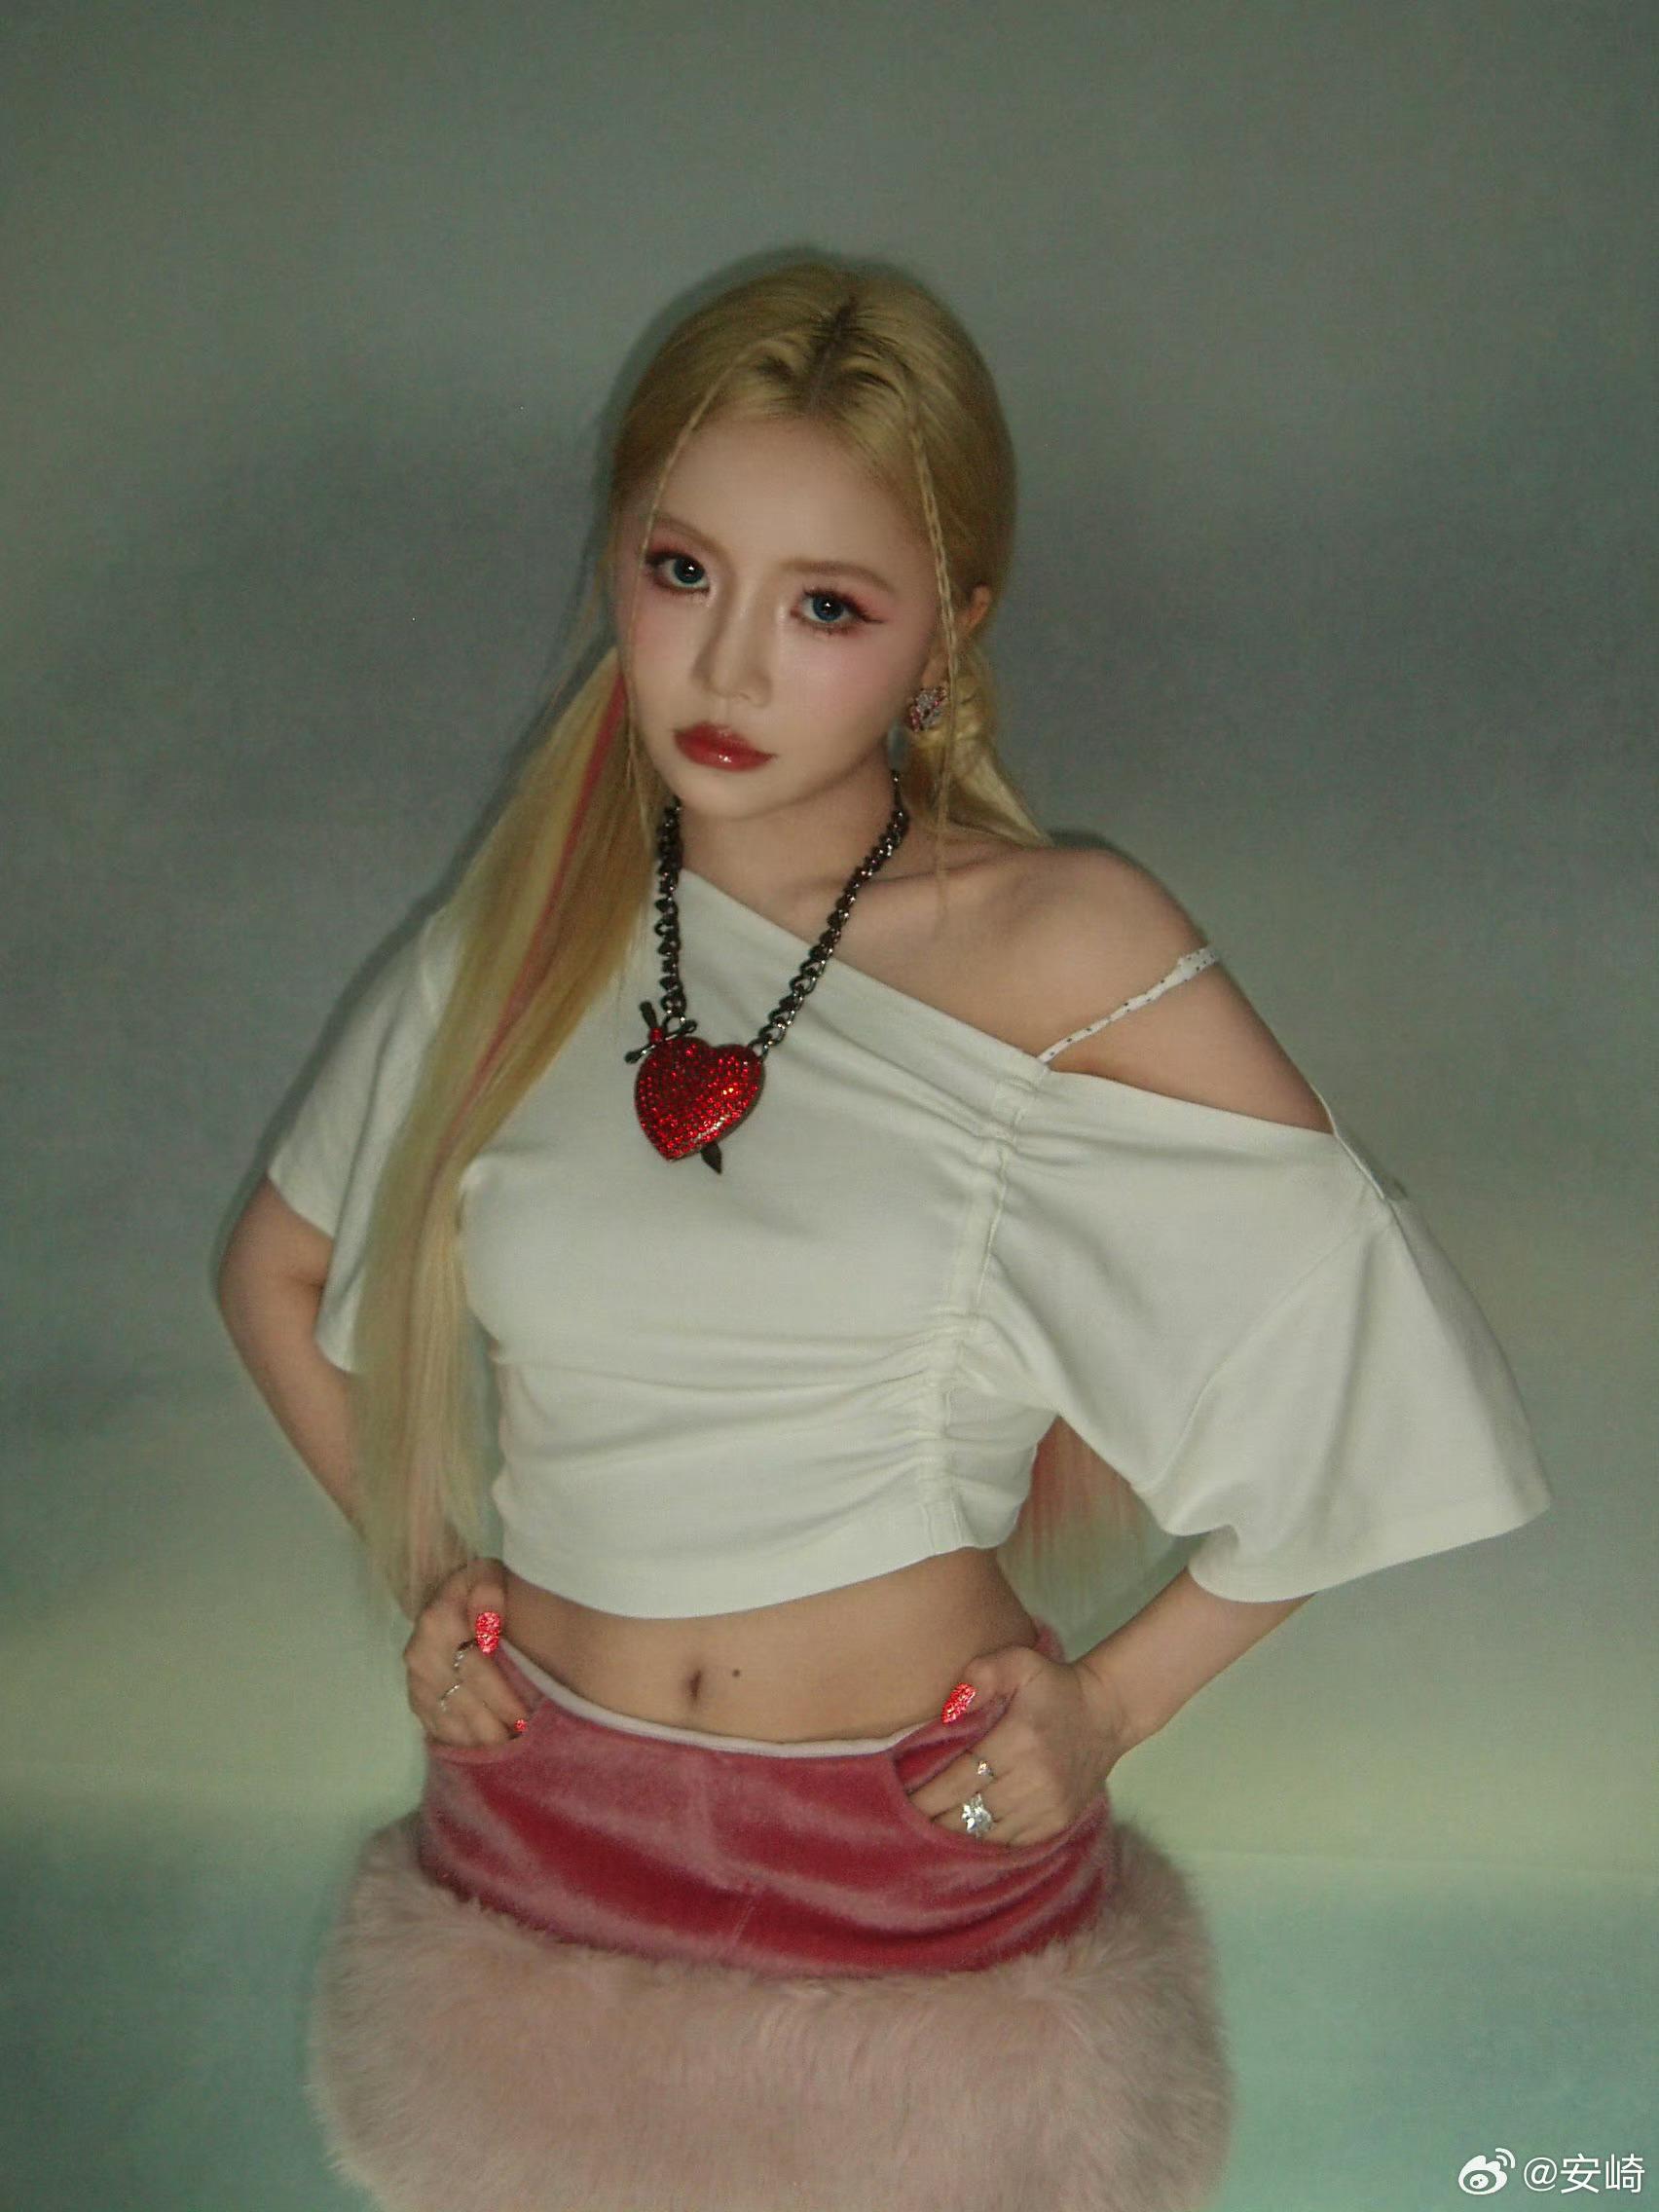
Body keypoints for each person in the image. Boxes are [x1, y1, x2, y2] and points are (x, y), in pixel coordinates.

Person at [217, 258, 1550, 2212]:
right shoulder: (516, 942)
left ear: (950, 630)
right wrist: (427, 1571)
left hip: (910, 1857)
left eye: (826, 606)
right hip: (535, 1847)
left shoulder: (1063, 946)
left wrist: (1114, 1703)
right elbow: (273, 1273)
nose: (730, 667)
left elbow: (1372, 1386)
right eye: (684, 571)